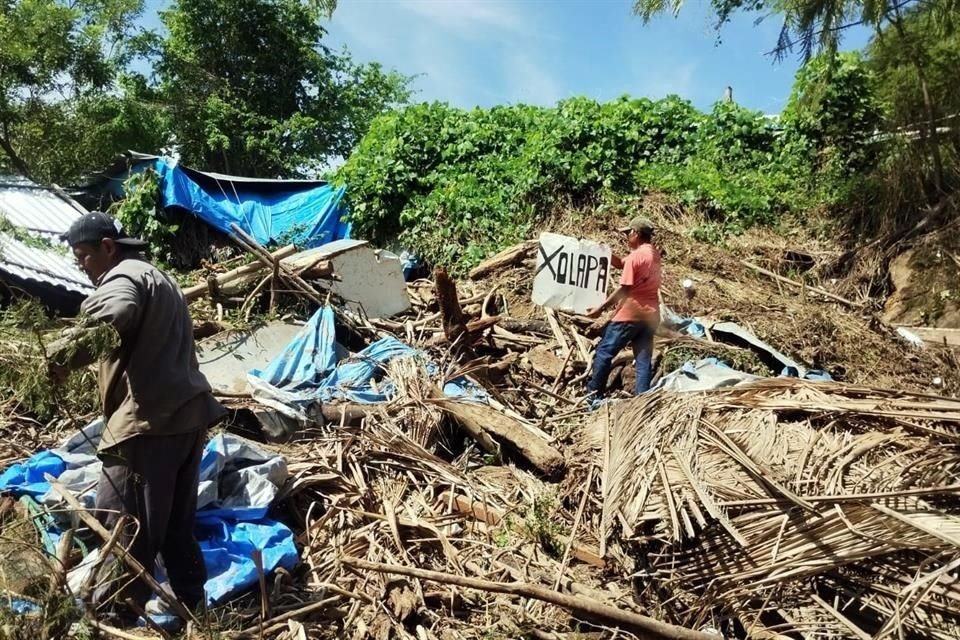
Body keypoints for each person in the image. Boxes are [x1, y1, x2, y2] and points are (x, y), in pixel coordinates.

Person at [48, 211, 225, 623]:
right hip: (185, 419)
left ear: (107, 248)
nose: (81, 266)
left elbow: (114, 314)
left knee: (123, 531)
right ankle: (199, 616)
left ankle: (112, 622)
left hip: (147, 427)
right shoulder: (157, 276)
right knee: (176, 528)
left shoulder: (123, 277)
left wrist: (57, 359)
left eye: (83, 256)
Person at [584, 216, 662, 397]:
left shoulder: (636, 257)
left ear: (636, 233)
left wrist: (600, 308)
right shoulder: (653, 254)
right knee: (643, 359)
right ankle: (642, 398)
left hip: (630, 314)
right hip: (651, 315)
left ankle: (593, 396)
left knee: (604, 353)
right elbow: (622, 264)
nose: (627, 237)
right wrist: (605, 253)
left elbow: (625, 289)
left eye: (628, 233)